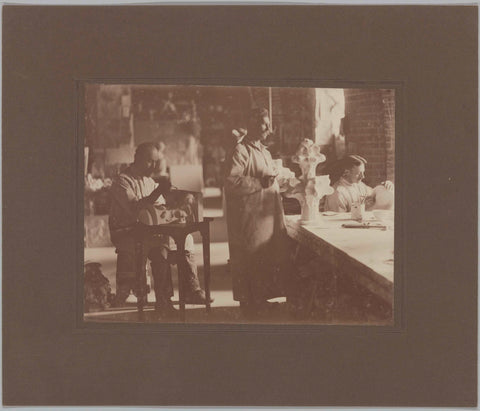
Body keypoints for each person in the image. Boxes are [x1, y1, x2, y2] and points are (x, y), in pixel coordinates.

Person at [108, 142, 209, 318]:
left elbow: (160, 208)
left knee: (183, 240)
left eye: (156, 162)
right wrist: (157, 194)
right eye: (150, 161)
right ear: (137, 159)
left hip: (146, 230)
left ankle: (188, 290)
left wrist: (178, 201)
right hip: (126, 231)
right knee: (160, 246)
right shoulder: (122, 181)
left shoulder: (150, 181)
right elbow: (134, 209)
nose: (154, 166)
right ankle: (165, 300)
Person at [224, 108, 291, 318]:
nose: (268, 128)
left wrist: (282, 183)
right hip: (249, 215)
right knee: (251, 256)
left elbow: (269, 179)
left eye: (269, 123)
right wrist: (260, 182)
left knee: (264, 256)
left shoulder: (265, 151)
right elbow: (231, 182)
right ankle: (250, 303)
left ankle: (260, 299)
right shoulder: (240, 150)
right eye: (264, 123)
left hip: (265, 214)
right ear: (251, 124)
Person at [324, 154, 394, 212]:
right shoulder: (337, 193)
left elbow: (373, 194)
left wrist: (385, 186)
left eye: (363, 173)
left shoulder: (359, 185)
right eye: (359, 174)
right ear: (346, 173)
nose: (363, 176)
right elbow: (337, 221)